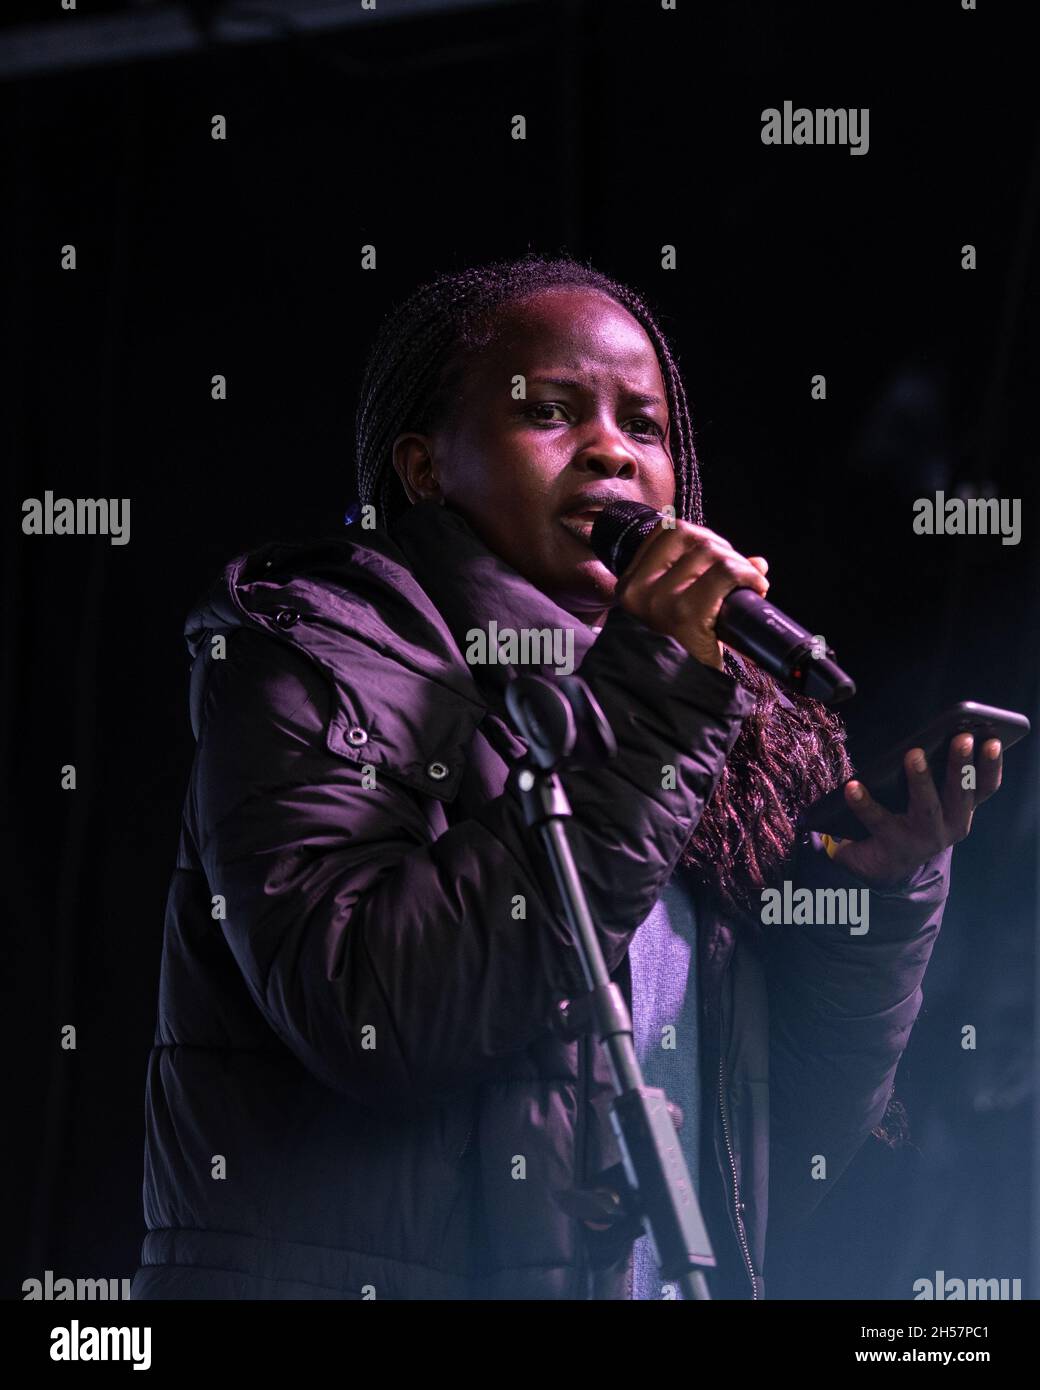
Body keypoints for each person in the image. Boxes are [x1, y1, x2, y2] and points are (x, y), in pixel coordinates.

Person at [129, 253, 1001, 1301]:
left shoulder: (697, 730)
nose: (610, 453)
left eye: (643, 426)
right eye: (548, 412)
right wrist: (655, 698)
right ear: (422, 467)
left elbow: (772, 1156)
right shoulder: (319, 650)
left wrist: (867, 902)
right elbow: (377, 1011)